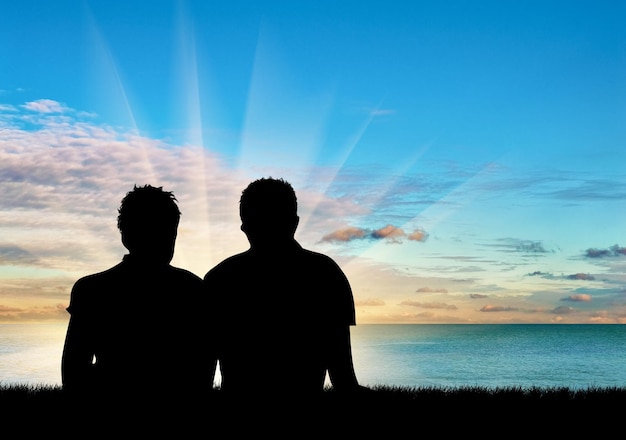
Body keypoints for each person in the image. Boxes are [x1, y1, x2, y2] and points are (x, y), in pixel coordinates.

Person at [203, 177, 366, 402]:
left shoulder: (219, 279)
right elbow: (344, 379)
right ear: (295, 222)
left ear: (244, 227)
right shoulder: (325, 274)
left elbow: (204, 377)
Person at [61, 184, 207, 415]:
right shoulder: (193, 288)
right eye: (165, 232)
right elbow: (202, 371)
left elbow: (73, 372)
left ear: (124, 234)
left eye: (168, 232)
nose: (166, 241)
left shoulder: (91, 289)